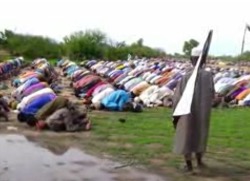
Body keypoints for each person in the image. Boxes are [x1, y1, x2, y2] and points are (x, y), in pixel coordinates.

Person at [172, 47, 215, 172]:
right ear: (203, 60)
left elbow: (177, 97)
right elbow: (212, 94)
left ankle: (189, 165)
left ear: (192, 60)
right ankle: (199, 161)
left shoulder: (186, 77)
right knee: (200, 134)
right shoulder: (208, 76)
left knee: (186, 135)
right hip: (203, 112)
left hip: (187, 112)